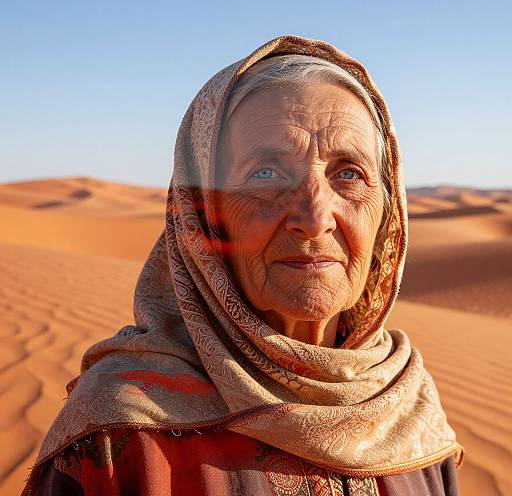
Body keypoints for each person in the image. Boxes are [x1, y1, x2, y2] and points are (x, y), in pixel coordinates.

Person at [21, 34, 463, 496]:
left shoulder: (409, 406)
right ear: (204, 218)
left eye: (348, 174)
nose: (314, 220)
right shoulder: (117, 436)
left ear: (388, 214)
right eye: (266, 174)